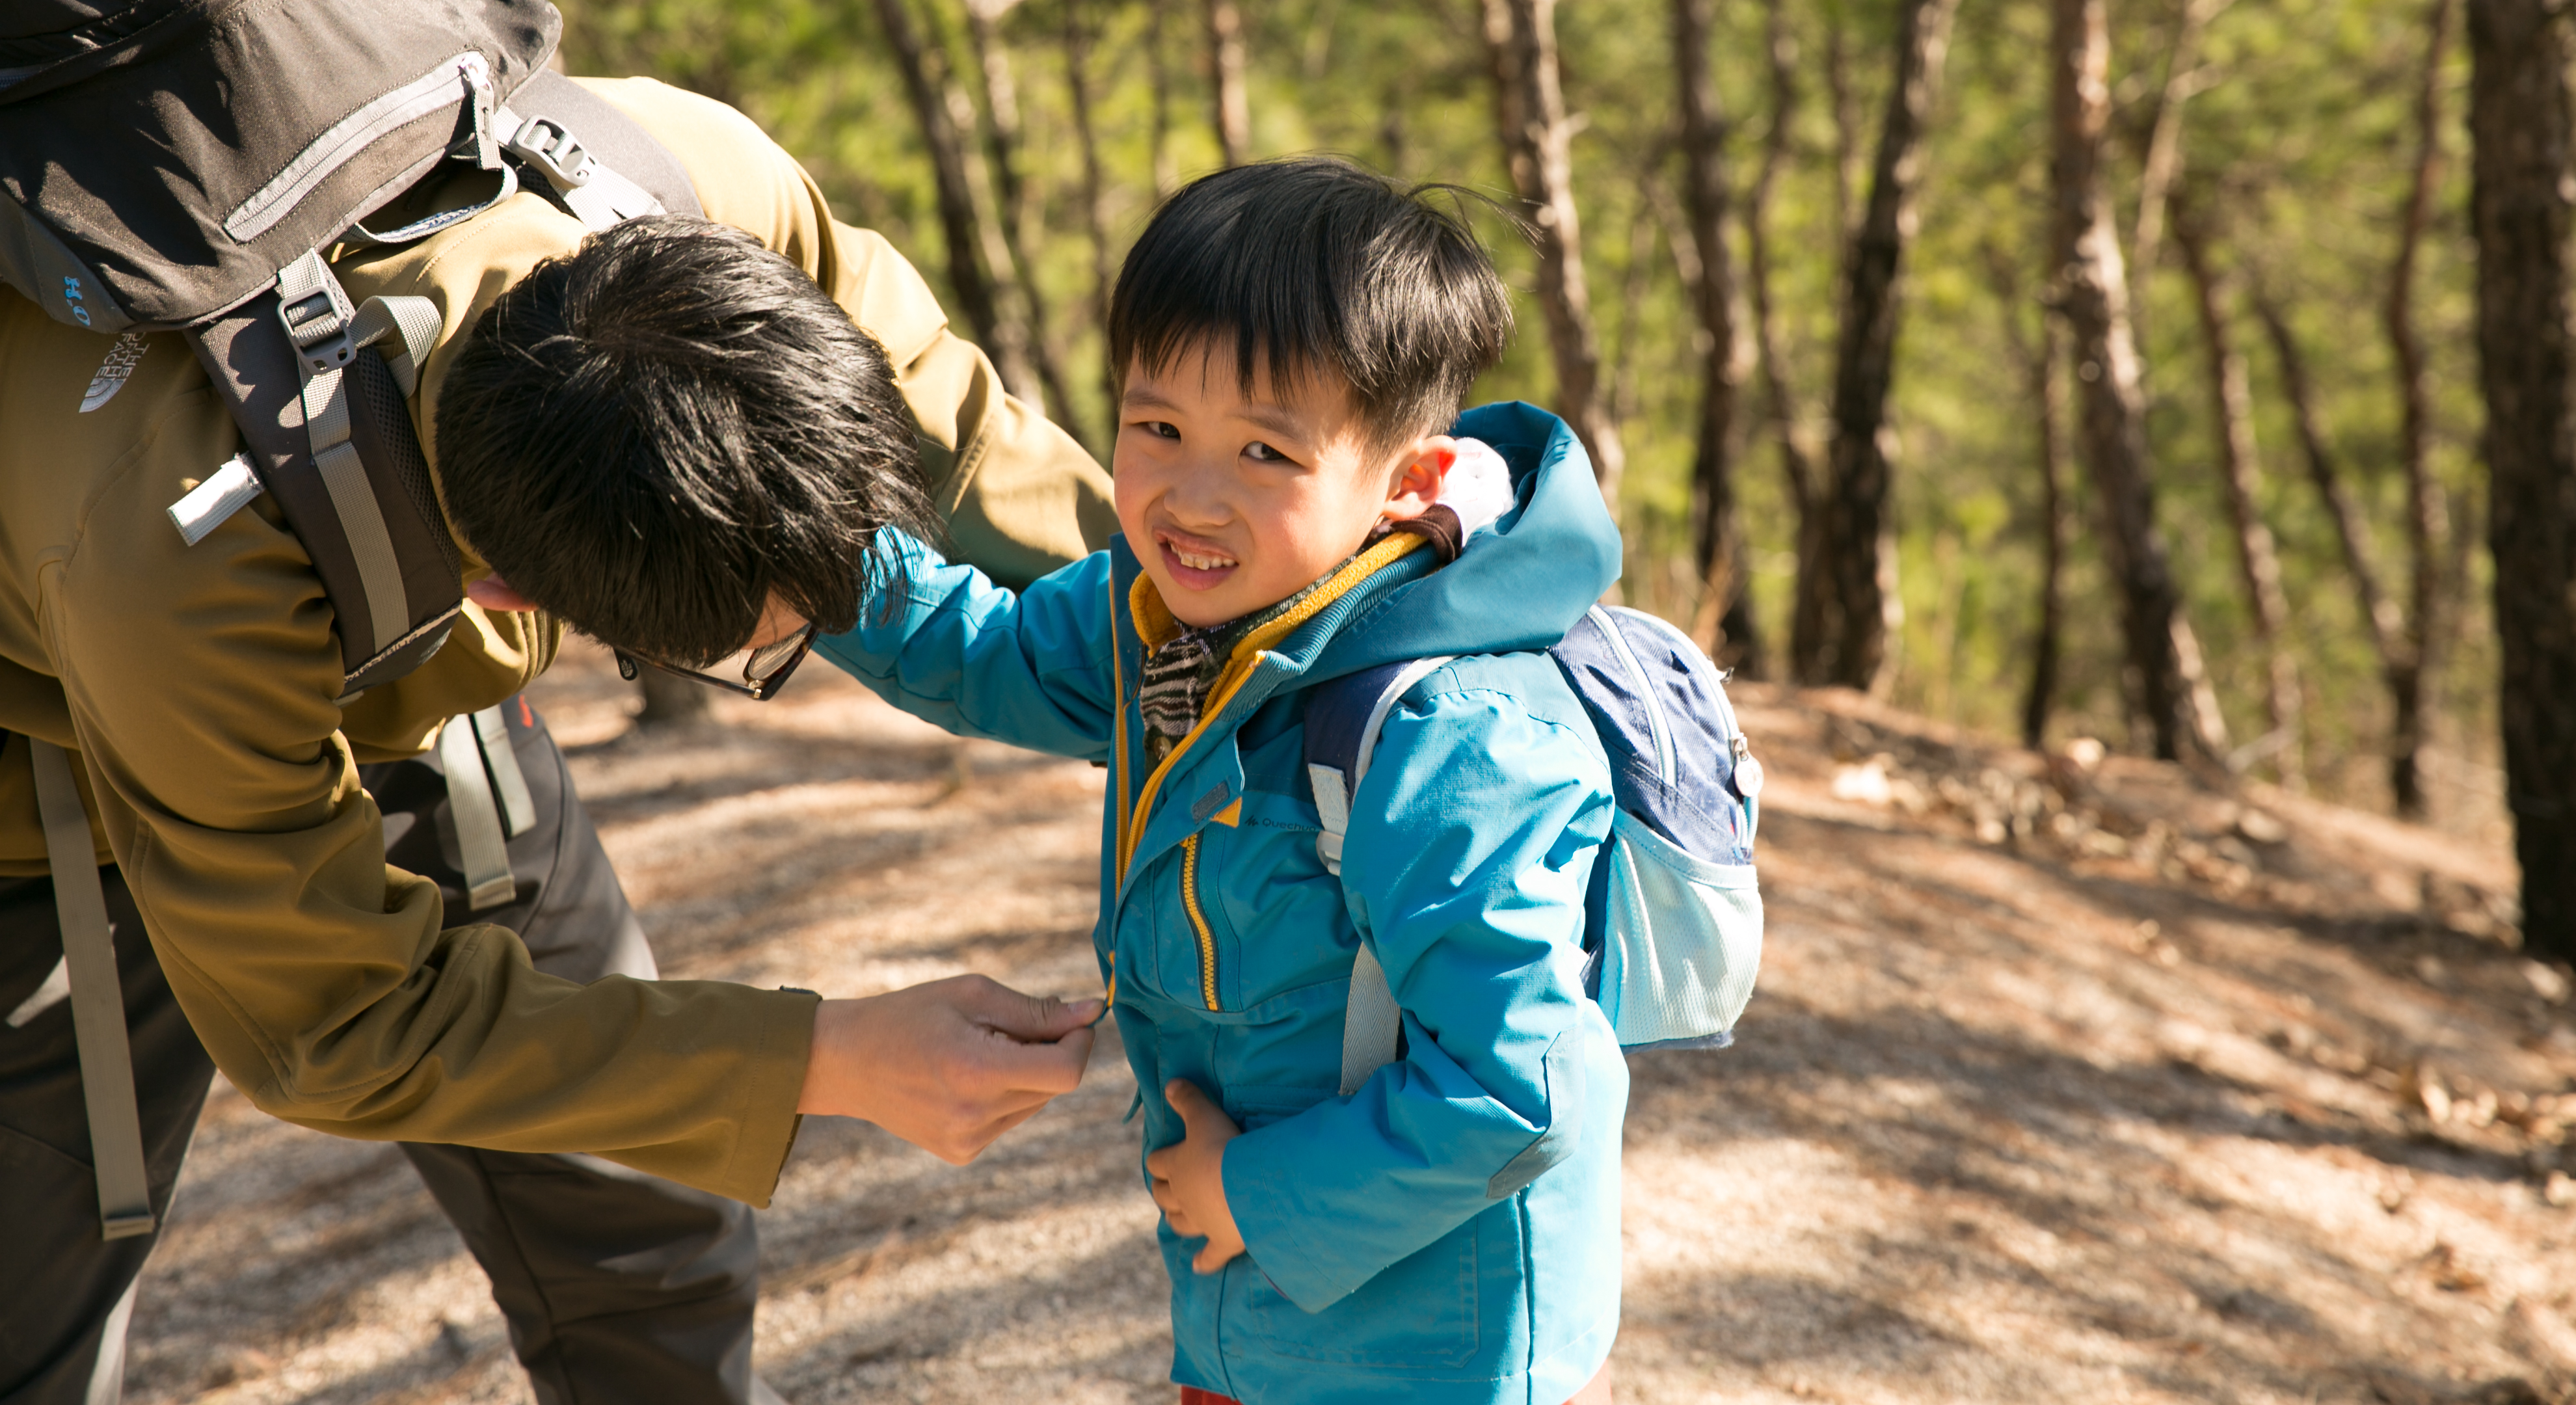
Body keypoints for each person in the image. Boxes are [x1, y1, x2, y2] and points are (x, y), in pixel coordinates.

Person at [0, 78, 1114, 1405]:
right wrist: (824, 1058)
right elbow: (338, 1021)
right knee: (32, 1320)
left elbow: (974, 448)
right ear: (514, 601)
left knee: (649, 1234)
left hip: (365, 634)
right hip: (57, 763)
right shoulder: (184, 558)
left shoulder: (685, 179)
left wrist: (1265, 639)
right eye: (764, 655)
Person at [816, 157, 1628, 1404]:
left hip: (1430, 1350)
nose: (1191, 499)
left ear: (1407, 484)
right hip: (1253, 1313)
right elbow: (986, 655)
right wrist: (801, 544)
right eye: (1158, 430)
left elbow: (1522, 1085)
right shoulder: (1167, 617)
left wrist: (1253, 1195)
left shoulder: (1449, 741)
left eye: (1264, 451)